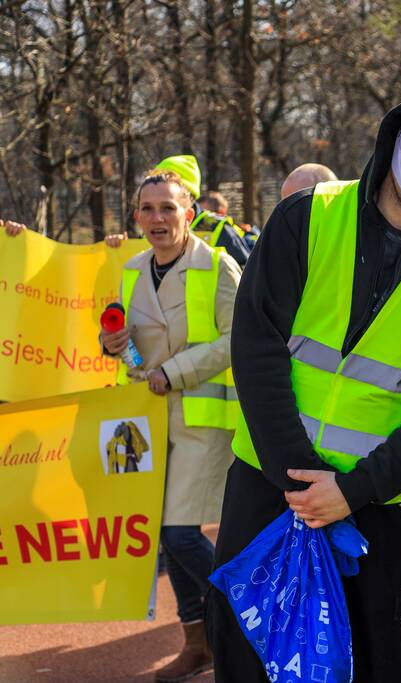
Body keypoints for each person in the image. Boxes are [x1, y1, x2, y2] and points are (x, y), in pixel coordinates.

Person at [207, 83, 401, 683]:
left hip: (378, 513)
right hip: (268, 492)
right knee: (247, 660)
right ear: (394, 136)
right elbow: (256, 344)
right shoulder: (306, 216)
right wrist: (298, 480)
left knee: (377, 664)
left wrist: (351, 491)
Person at [100, 170, 241, 682]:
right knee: (165, 533)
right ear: (136, 216)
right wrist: (113, 345)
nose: (158, 218)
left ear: (189, 213)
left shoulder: (218, 266)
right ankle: (198, 642)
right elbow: (133, 348)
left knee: (182, 534)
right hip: (148, 419)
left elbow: (237, 339)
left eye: (168, 208)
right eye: (148, 209)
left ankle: (250, 620)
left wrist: (173, 372)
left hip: (203, 419)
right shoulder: (132, 269)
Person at [153, 155, 253, 266]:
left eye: (164, 185)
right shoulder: (151, 228)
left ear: (187, 192)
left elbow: (247, 274)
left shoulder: (218, 229)